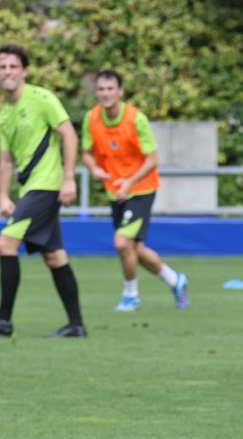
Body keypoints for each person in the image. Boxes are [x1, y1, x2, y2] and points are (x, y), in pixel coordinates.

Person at [0, 44, 87, 338]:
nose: (8, 72)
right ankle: (76, 325)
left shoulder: (42, 98)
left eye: (13, 66)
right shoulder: (5, 115)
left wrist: (69, 178)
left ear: (24, 70)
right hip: (30, 190)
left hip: (47, 187)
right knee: (55, 256)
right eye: (2, 67)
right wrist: (3, 195)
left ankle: (3, 319)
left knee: (5, 245)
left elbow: (68, 134)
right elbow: (7, 160)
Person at [81, 69, 189, 311]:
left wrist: (129, 182)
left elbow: (152, 159)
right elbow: (86, 153)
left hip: (141, 189)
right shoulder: (92, 118)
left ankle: (131, 295)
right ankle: (175, 279)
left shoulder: (135, 118)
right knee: (135, 249)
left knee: (121, 243)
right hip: (115, 191)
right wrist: (94, 168)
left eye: (110, 89)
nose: (105, 93)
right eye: (101, 89)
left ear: (120, 91)